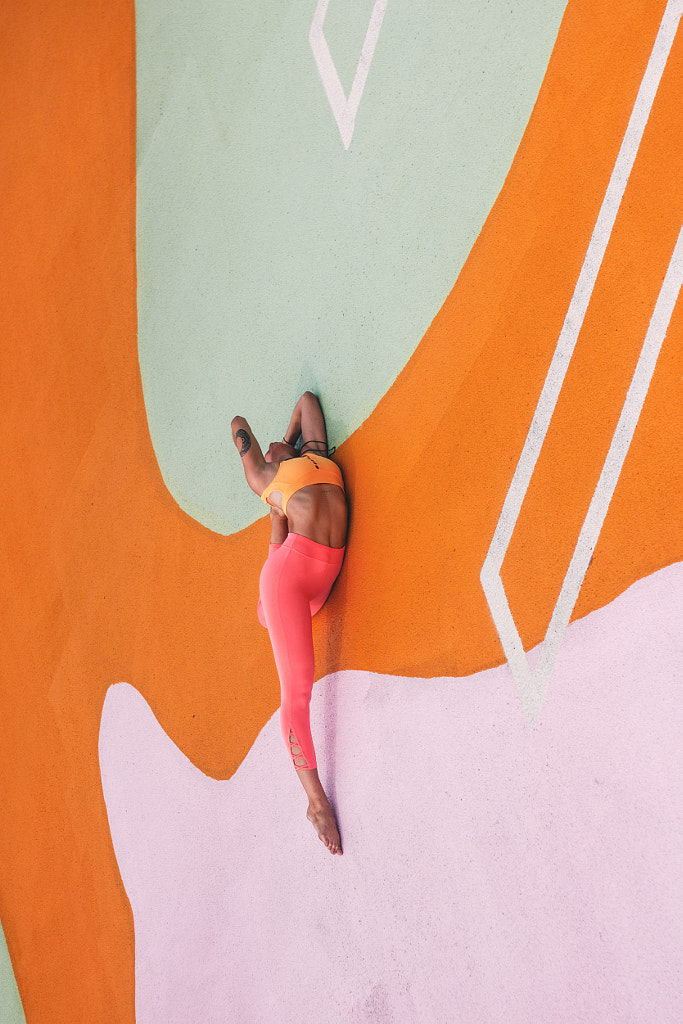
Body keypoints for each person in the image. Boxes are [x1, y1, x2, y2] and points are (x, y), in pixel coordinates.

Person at [231, 392, 347, 855]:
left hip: (312, 579)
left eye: (283, 451)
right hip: (292, 581)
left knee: (270, 602)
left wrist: (282, 446)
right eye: (273, 455)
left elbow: (306, 402)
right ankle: (316, 803)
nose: (275, 453)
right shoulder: (274, 475)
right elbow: (239, 420)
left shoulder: (308, 457)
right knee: (296, 693)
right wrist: (276, 462)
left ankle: (266, 607)